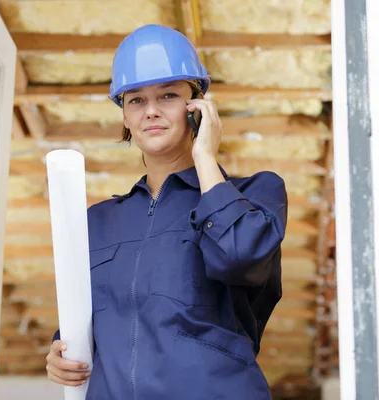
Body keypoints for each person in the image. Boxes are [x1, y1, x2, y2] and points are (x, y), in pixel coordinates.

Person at [45, 24, 287, 400]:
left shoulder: (254, 194)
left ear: (198, 106)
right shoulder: (97, 222)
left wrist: (204, 154)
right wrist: (61, 351)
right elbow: (88, 323)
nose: (151, 111)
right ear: (124, 116)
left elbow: (238, 257)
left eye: (169, 95)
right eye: (136, 100)